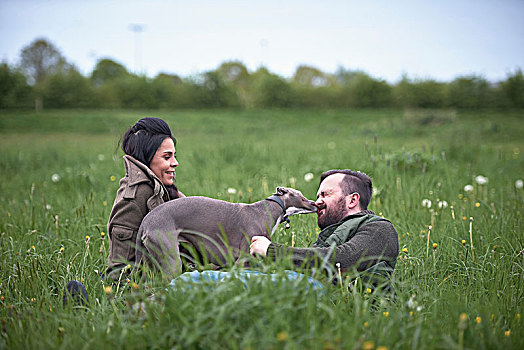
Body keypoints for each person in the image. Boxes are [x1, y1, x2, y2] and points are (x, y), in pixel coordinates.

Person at [250, 169, 399, 288]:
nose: (317, 202)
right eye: (317, 196)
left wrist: (272, 251)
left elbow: (343, 259)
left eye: (325, 195)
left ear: (352, 200)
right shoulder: (329, 235)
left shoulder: (380, 228)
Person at [106, 117, 184, 279]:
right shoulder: (135, 197)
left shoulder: (162, 190)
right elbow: (119, 269)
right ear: (147, 158)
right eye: (167, 157)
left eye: (174, 156)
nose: (175, 163)